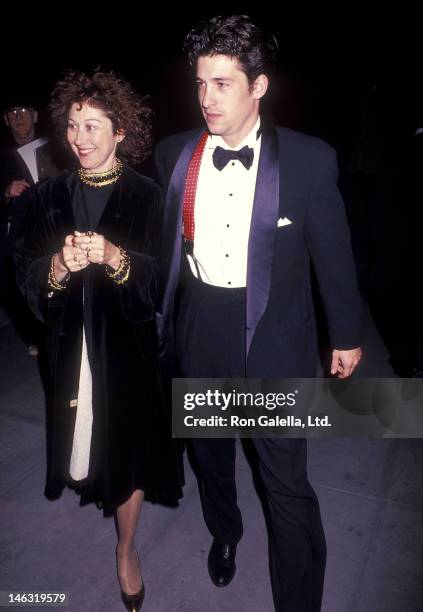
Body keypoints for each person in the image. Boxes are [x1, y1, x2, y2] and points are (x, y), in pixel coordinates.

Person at [154, 14, 362, 612]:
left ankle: (299, 600)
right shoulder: (175, 155)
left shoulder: (308, 159)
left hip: (274, 335)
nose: (206, 99)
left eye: (222, 84)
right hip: (200, 326)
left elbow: (334, 255)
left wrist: (345, 333)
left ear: (259, 86)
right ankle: (225, 532)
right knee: (211, 453)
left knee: (286, 482)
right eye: (200, 83)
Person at [15, 70, 182, 612]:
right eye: (72, 126)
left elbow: (163, 285)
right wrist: (59, 266)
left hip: (129, 354)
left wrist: (117, 259)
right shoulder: (48, 196)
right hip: (69, 350)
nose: (80, 138)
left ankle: (126, 547)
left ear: (120, 131)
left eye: (93, 125)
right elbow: (22, 273)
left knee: (127, 453)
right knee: (85, 446)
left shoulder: (147, 196)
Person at [1, 100, 62, 356]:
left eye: (23, 111)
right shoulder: (2, 155)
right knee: (17, 288)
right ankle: (34, 335)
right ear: (6, 120)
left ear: (35, 115)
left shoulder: (56, 146)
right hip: (20, 237)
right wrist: (4, 190)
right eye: (12, 113)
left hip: (57, 230)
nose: (18, 117)